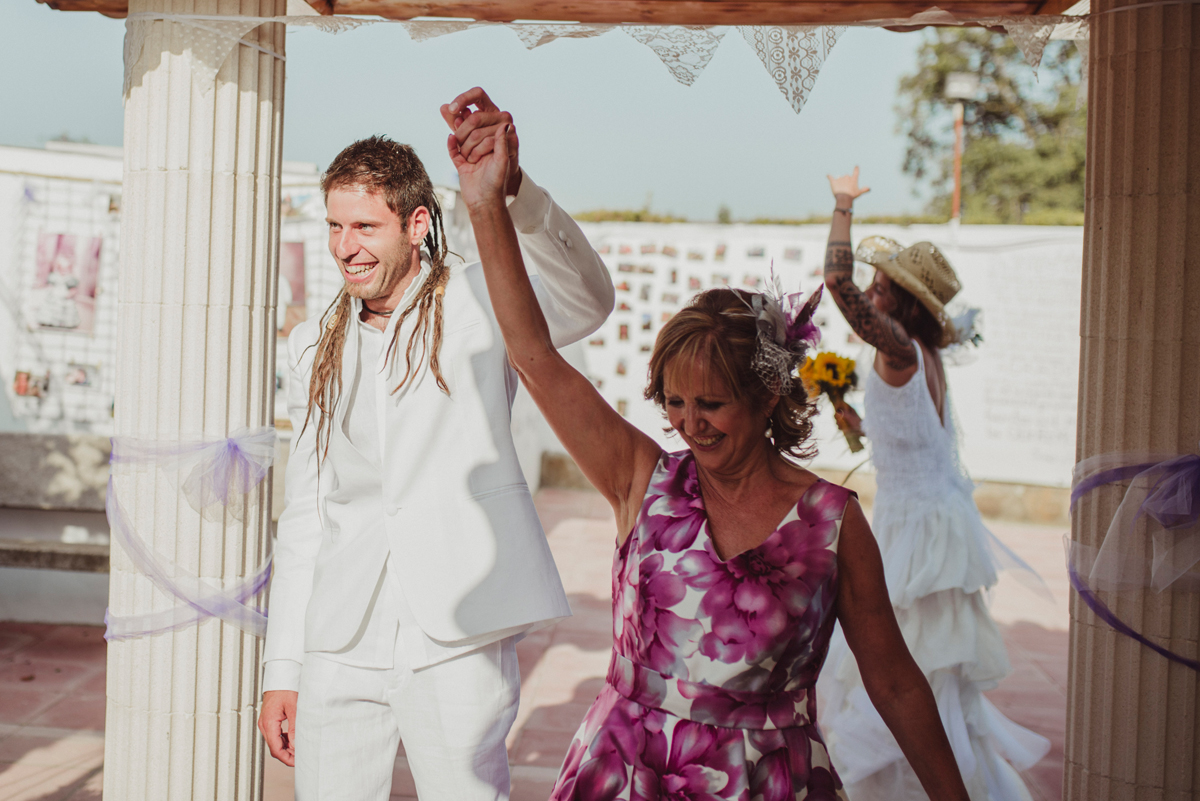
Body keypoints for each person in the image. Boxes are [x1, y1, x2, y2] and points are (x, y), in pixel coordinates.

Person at [450, 122, 973, 800]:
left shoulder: (833, 523)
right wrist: (487, 203)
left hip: (767, 780)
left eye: (713, 403)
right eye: (674, 401)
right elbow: (535, 356)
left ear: (766, 398)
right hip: (628, 771)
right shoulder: (642, 477)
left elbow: (896, 680)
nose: (689, 424)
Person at [256, 88, 615, 801]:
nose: (344, 246)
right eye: (334, 225)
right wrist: (284, 667)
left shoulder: (484, 300)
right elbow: (307, 512)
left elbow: (588, 300)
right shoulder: (310, 347)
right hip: (340, 637)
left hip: (459, 628)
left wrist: (518, 195)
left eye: (364, 225)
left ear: (417, 223)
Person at [815, 168, 1051, 800]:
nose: (870, 288)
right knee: (929, 675)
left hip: (911, 537)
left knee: (896, 674)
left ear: (902, 302)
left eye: (882, 285)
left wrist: (842, 204)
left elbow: (835, 281)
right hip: (932, 522)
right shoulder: (924, 357)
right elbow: (910, 439)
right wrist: (855, 421)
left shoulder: (898, 349)